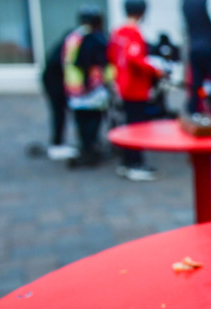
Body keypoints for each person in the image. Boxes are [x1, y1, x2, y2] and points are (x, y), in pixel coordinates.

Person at [107, 0, 162, 181]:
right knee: (137, 127)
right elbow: (134, 58)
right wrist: (155, 70)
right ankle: (135, 164)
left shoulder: (118, 32)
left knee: (128, 124)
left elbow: (112, 56)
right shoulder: (134, 33)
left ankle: (127, 162)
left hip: (123, 84)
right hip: (135, 87)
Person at [62, 5, 110, 168]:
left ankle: (85, 148)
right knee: (93, 120)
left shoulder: (72, 37)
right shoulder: (95, 38)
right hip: (91, 87)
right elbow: (102, 64)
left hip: (74, 87)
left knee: (81, 121)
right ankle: (90, 151)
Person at [40, 30, 78, 161]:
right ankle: (57, 145)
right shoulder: (67, 48)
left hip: (54, 81)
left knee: (60, 112)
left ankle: (58, 143)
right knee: (59, 113)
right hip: (54, 83)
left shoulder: (64, 44)